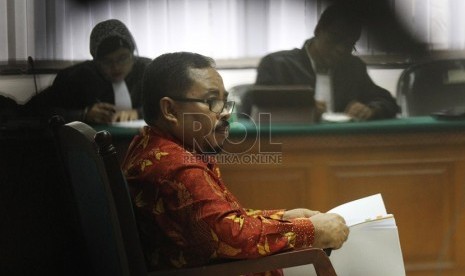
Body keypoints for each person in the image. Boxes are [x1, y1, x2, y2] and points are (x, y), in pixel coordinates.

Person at [121, 52, 349, 275]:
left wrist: (284, 217)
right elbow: (233, 237)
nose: (225, 114)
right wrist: (313, 230)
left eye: (224, 102)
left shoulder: (151, 144)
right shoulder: (176, 167)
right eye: (211, 101)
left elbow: (221, 221)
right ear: (170, 110)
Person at [255, 3, 399, 121]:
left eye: (350, 45)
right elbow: (256, 108)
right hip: (291, 145)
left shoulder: (353, 67)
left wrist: (371, 109)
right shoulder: (277, 64)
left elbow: (387, 102)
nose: (341, 50)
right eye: (335, 39)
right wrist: (302, 111)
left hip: (340, 145)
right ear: (318, 30)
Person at [26, 19, 150, 124]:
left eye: (122, 58)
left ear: (132, 54)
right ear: (96, 61)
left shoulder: (148, 70)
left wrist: (139, 113)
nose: (116, 67)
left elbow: (167, 103)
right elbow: (34, 110)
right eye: (107, 61)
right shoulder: (77, 77)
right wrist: (83, 115)